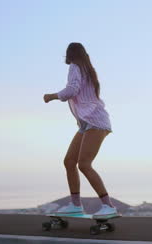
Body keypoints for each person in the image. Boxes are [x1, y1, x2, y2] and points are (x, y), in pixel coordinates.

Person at [43, 42, 118, 217]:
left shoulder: (76, 67)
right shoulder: (87, 69)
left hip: (95, 121)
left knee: (84, 165)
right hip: (87, 124)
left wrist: (51, 96)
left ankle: (109, 206)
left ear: (70, 55)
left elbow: (72, 90)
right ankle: (76, 204)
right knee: (69, 161)